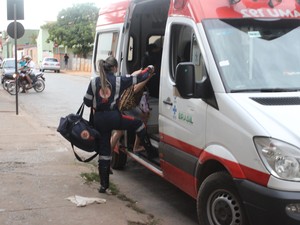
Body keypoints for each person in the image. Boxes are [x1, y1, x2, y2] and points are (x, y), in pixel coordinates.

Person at [83, 56, 155, 193]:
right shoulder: (118, 80)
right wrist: (149, 69)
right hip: (114, 117)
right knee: (138, 124)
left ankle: (103, 185)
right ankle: (150, 152)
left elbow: (86, 102)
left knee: (104, 152)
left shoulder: (93, 82)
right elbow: (138, 78)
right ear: (115, 68)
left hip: (99, 120)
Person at [110, 72, 153, 156]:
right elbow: (135, 89)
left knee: (119, 132)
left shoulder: (135, 74)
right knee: (142, 121)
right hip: (128, 106)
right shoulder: (140, 78)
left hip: (123, 105)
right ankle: (136, 147)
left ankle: (106, 153)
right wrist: (148, 78)